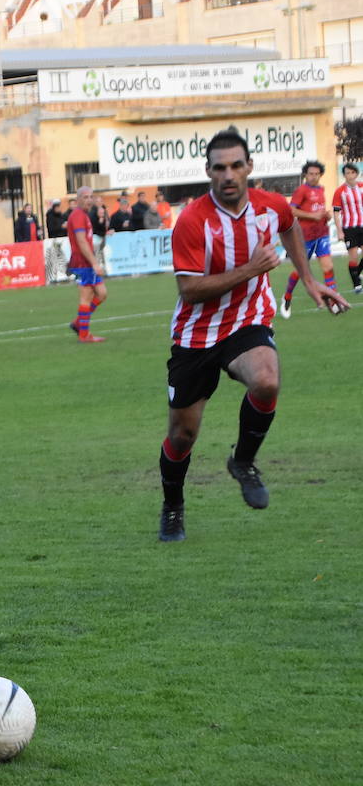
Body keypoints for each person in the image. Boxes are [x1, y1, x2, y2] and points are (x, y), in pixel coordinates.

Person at [156, 128, 349, 543]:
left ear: (250, 168)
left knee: (267, 379)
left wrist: (310, 281)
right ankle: (173, 506)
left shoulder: (270, 205)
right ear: (207, 171)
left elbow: (289, 225)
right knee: (182, 435)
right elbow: (189, 290)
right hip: (196, 336)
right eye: (220, 167)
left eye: (236, 165)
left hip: (248, 321)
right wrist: (250, 270)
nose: (229, 174)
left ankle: (243, 462)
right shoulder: (192, 221)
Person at [280, 160, 335, 319]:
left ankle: (333, 299)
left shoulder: (321, 189)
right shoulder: (301, 190)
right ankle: (287, 297)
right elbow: (291, 211)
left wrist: (326, 215)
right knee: (300, 271)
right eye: (311, 174)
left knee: (328, 266)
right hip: (305, 236)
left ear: (320, 175)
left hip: (321, 233)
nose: (313, 176)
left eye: (317, 174)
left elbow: (318, 210)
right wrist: (312, 216)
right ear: (305, 174)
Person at [66, 186, 107, 343]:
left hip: (86, 262)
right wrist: (94, 263)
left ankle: (78, 323)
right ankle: (84, 335)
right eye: (85, 197)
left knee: (102, 293)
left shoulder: (83, 215)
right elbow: (81, 241)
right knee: (86, 296)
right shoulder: (77, 216)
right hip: (82, 262)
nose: (89, 200)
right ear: (77, 200)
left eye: (91, 197)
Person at [332, 162, 363, 294]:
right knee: (354, 257)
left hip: (362, 225)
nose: (349, 175)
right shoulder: (340, 191)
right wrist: (339, 231)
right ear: (344, 175)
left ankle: (356, 274)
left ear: (356, 173)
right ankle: (357, 284)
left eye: (352, 172)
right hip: (349, 228)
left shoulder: (362, 187)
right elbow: (336, 212)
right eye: (347, 173)